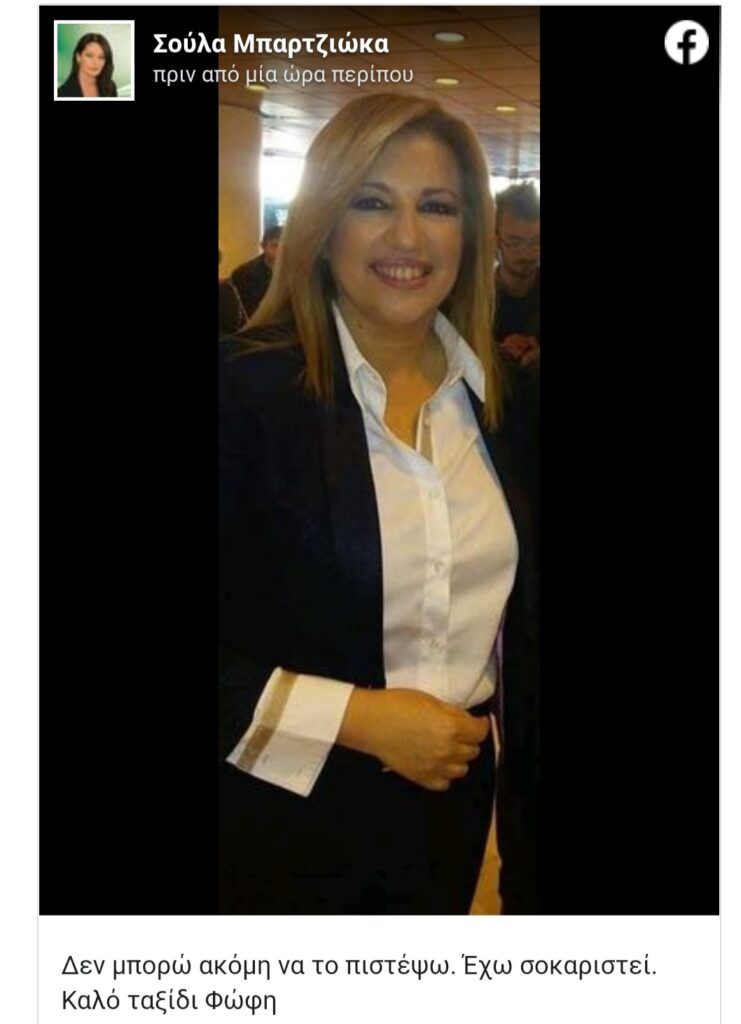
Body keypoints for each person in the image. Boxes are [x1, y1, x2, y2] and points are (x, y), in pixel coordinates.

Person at [219, 93, 538, 914]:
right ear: (323, 223)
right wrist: (356, 718)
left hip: (451, 815)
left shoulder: (505, 404)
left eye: (436, 207)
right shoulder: (244, 393)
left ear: (468, 233)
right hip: (271, 818)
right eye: (371, 202)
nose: (407, 238)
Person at [493, 182, 540, 369]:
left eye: (536, 242)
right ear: (495, 240)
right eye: (515, 242)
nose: (526, 254)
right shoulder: (475, 299)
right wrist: (498, 352)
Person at [229, 225, 282, 320]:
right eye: (275, 245)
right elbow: (243, 310)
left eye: (284, 245)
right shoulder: (244, 273)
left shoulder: (293, 271)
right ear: (263, 246)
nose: (280, 250)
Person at [58, 33, 118, 98]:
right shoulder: (62, 93)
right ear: (78, 57)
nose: (95, 62)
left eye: (101, 57)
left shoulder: (110, 88)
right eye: (89, 56)